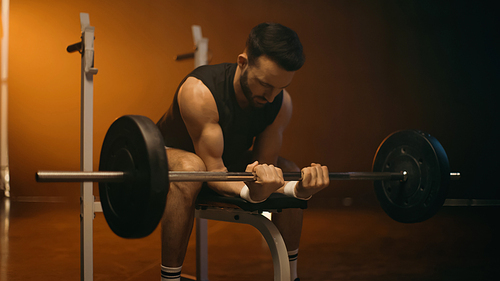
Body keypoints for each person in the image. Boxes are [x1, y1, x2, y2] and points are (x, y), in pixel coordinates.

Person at [156, 22, 330, 281]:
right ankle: (169, 279)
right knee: (192, 167)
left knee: (292, 171)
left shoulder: (281, 104)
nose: (271, 97)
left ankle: (291, 277)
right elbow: (214, 172)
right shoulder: (199, 92)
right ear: (242, 62)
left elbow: (264, 169)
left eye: (280, 88)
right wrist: (252, 190)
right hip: (169, 159)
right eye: (264, 84)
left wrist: (299, 190)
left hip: (221, 164)